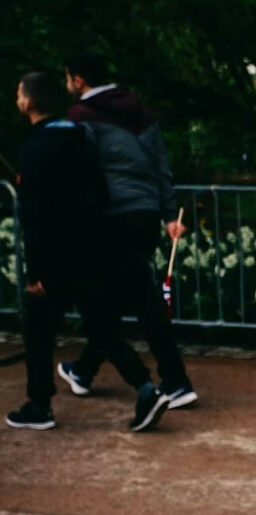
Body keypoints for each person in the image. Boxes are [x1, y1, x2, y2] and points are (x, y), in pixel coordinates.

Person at [6, 72, 170, 432]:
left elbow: (36, 219)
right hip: (93, 249)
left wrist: (37, 274)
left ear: (29, 102)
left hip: (55, 257)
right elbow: (98, 193)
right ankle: (145, 387)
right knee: (103, 325)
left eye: (19, 95)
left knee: (38, 329)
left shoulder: (35, 148)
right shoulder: (80, 137)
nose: (17, 99)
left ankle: (39, 404)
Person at [57, 54, 197, 410]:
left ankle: (175, 380)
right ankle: (85, 370)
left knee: (132, 300)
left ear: (78, 79)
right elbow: (161, 166)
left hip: (109, 216)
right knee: (120, 296)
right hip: (145, 212)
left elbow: (79, 170)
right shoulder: (141, 112)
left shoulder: (80, 117)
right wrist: (168, 214)